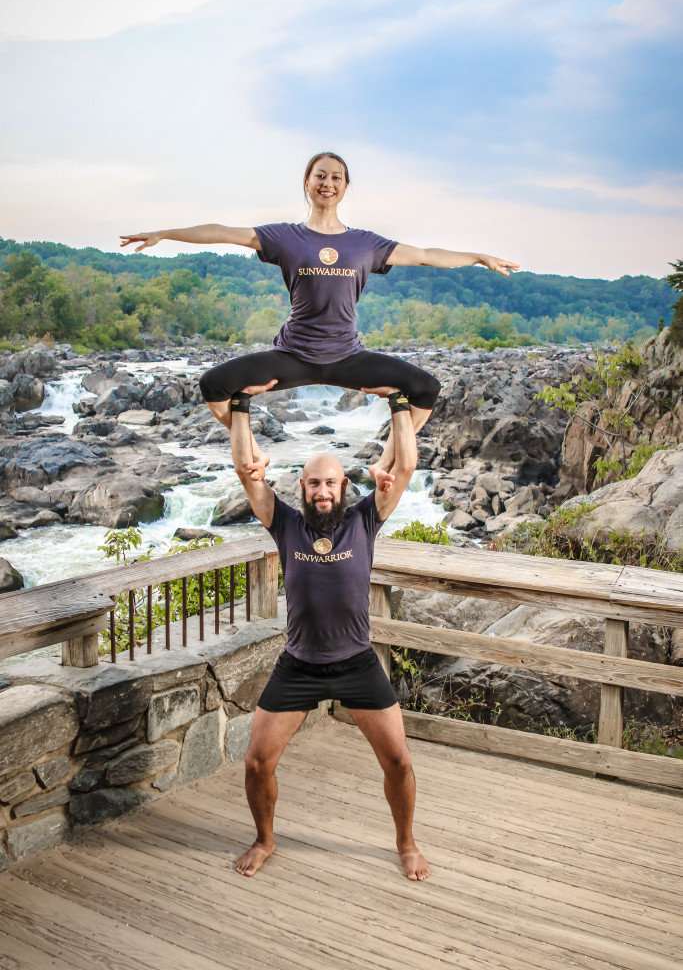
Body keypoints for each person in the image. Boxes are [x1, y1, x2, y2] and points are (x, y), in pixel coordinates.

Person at [120, 151, 519, 485]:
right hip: (293, 356)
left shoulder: (366, 243)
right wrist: (165, 233)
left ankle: (385, 460)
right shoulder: (285, 237)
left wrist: (478, 257)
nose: (328, 182)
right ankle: (256, 453)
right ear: (307, 183)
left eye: (336, 177)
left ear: (345, 188)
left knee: (426, 388)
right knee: (214, 384)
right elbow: (223, 231)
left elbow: (428, 254)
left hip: (348, 357)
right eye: (320, 175)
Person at [228, 379, 430, 880]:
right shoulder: (285, 524)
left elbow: (404, 466)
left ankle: (406, 843)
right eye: (314, 483)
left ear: (344, 487)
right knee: (256, 763)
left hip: (357, 662)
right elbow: (245, 470)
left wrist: (398, 402)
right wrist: (240, 406)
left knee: (400, 763)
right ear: (302, 487)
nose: (322, 491)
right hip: (299, 665)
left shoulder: (365, 519)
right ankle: (265, 838)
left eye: (331, 482)